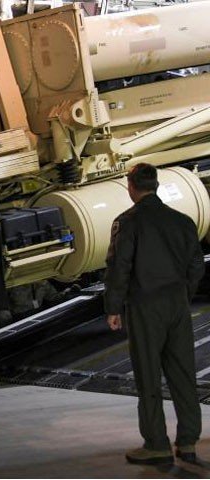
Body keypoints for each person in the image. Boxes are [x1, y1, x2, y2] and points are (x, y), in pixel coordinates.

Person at [104, 163, 205, 465]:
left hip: (145, 306)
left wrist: (113, 307)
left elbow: (119, 267)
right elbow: (197, 265)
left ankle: (156, 444)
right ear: (157, 185)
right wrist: (182, 294)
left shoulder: (128, 222)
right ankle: (188, 443)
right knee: (183, 375)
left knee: (148, 376)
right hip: (176, 305)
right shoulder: (182, 221)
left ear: (131, 187)